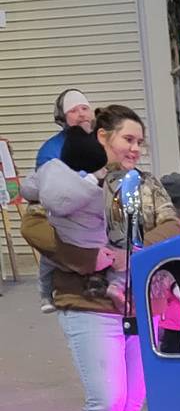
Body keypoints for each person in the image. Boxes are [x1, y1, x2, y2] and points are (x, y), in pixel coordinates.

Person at [21, 105, 180, 411]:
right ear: (104, 136)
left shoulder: (145, 184)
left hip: (139, 306)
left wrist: (129, 253)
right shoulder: (69, 175)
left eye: (140, 142)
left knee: (132, 401)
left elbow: (171, 226)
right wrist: (92, 259)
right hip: (88, 304)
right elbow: (34, 225)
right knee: (107, 399)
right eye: (128, 139)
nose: (135, 148)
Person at [22, 126, 128, 313]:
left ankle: (45, 296)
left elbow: (28, 190)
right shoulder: (102, 191)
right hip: (98, 244)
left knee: (47, 263)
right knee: (119, 258)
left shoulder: (50, 173)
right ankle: (115, 285)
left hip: (65, 240)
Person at [36, 89, 93, 168]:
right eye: (73, 111)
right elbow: (49, 179)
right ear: (63, 118)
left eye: (84, 108)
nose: (82, 114)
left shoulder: (103, 140)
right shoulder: (50, 151)